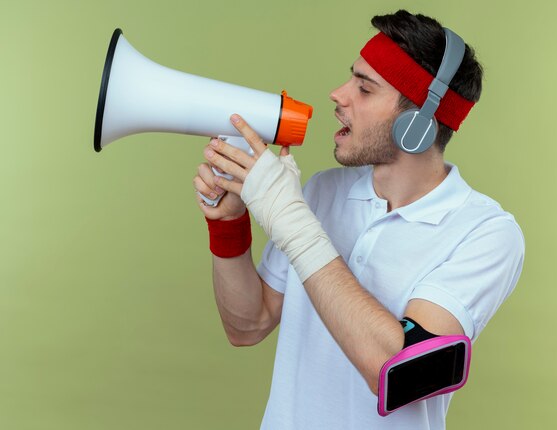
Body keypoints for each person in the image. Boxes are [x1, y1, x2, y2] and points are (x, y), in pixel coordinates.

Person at [192, 10, 524, 430]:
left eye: (364, 89)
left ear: (416, 124)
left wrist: (291, 220)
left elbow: (395, 370)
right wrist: (229, 223)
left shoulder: (485, 233)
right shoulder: (322, 191)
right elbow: (247, 325)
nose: (338, 94)